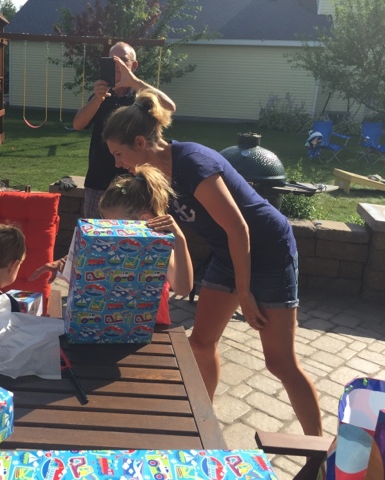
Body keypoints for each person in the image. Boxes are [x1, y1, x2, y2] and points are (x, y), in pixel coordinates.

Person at [101, 88, 323, 437]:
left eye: (118, 153)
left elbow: (239, 228)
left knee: (280, 363)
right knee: (201, 344)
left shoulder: (193, 162)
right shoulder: (154, 177)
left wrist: (245, 293)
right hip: (229, 253)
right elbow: (131, 219)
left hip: (269, 251)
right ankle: (204, 425)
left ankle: (318, 450)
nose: (117, 163)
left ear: (140, 142)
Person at [30, 164, 194, 324]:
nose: (107, 230)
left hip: (147, 327)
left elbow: (183, 289)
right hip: (103, 322)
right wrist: (64, 263)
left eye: (114, 226)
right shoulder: (110, 244)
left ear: (143, 220)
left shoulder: (160, 249)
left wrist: (180, 238)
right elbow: (90, 258)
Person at [71, 42, 176, 218]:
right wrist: (97, 99)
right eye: (112, 61)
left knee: (133, 231)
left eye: (123, 60)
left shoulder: (141, 96)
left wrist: (134, 82)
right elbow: (77, 125)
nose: (117, 65)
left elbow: (169, 107)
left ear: (134, 65)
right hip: (99, 179)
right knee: (94, 231)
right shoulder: (101, 95)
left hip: (136, 181)